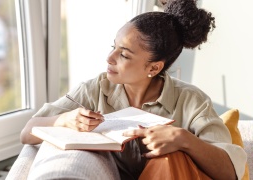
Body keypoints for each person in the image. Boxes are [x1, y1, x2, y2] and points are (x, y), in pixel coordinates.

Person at [20, 0, 247, 179]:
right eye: (113, 47)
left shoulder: (191, 101)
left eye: (124, 54)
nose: (109, 58)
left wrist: (183, 139)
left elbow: (229, 171)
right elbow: (27, 132)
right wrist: (64, 120)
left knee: (172, 157)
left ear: (153, 67)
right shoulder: (95, 89)